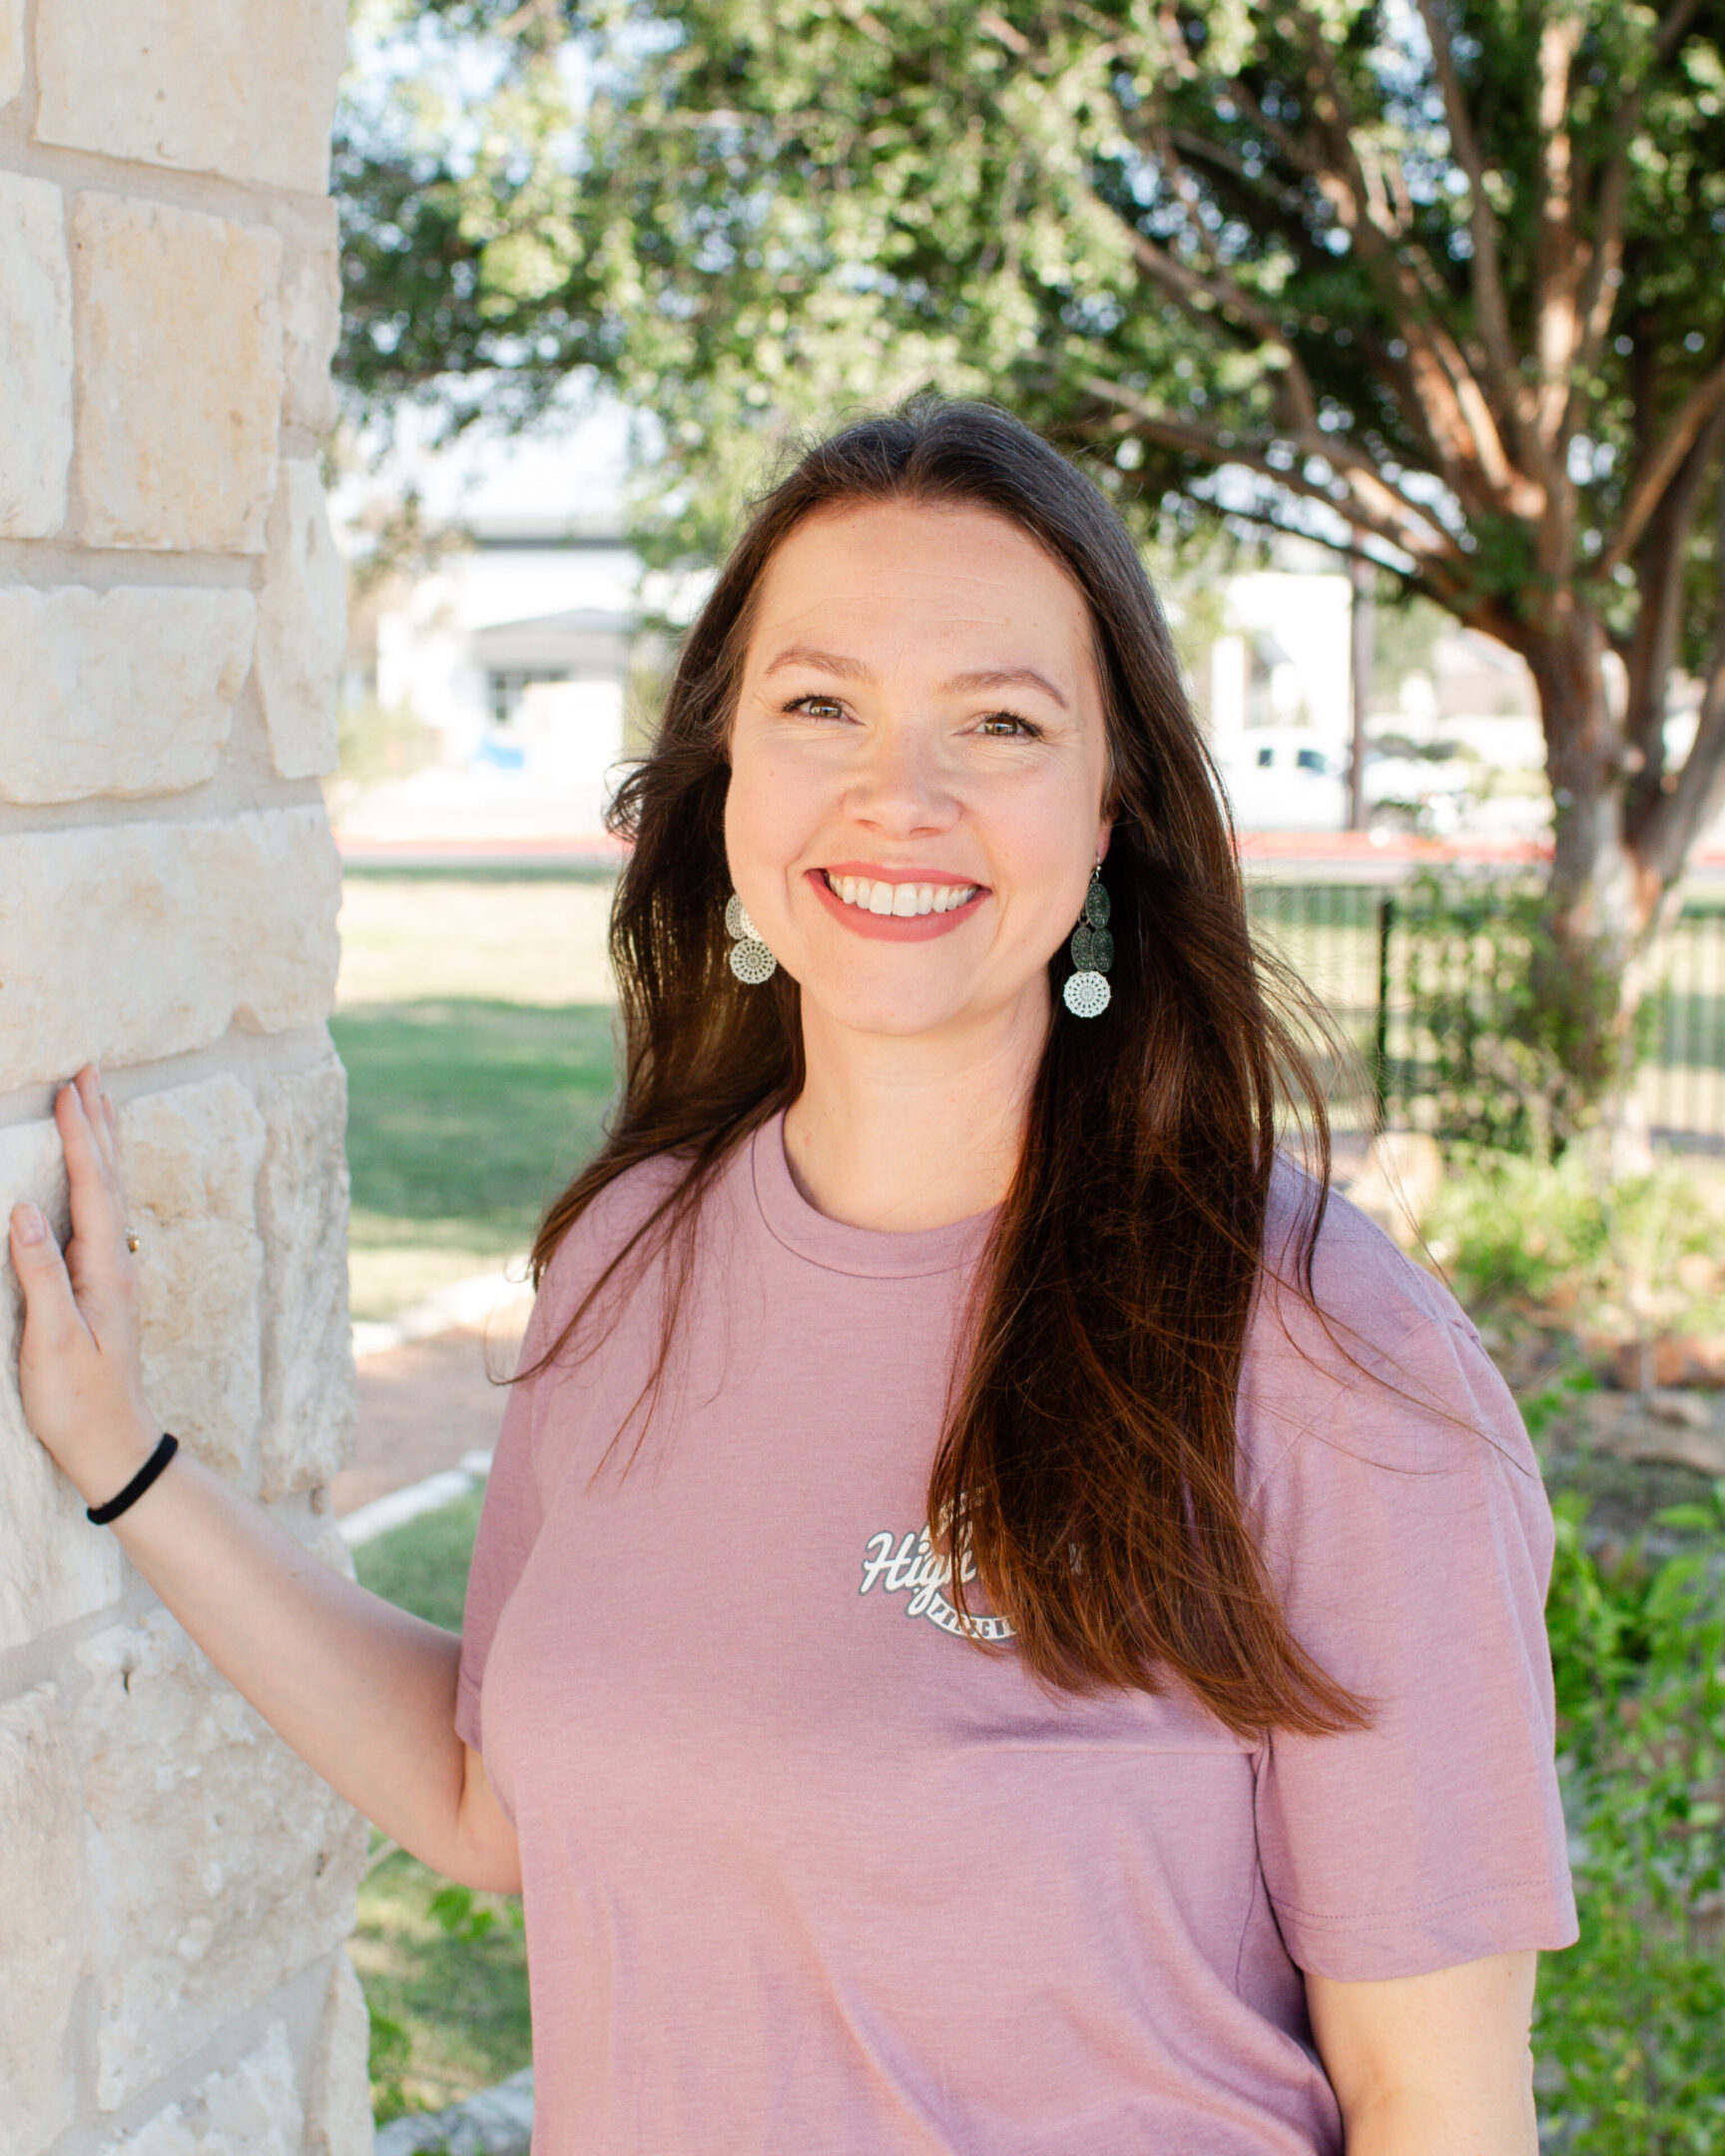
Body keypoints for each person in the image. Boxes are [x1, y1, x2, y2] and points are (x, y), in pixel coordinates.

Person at [10, 401, 1575, 2155]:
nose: (897, 798)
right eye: (820, 706)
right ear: (731, 768)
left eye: (999, 722)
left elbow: (1436, 2104)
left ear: (1114, 797)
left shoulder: (1326, 1360)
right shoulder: (631, 1263)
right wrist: (125, 1464)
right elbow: (487, 1798)